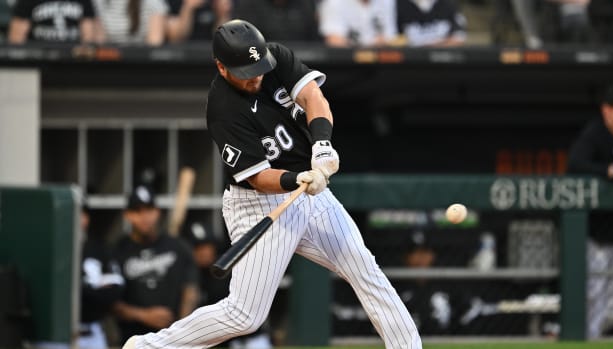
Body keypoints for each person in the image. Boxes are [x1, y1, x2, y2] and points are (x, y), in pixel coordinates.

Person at [121, 19, 422, 349]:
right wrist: (297, 178)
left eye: (259, 67)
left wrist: (322, 144)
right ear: (221, 67)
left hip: (310, 192)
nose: (256, 77)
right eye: (246, 72)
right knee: (245, 315)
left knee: (365, 270)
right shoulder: (222, 108)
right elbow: (258, 178)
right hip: (258, 203)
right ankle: (150, 346)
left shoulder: (275, 57)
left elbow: (313, 96)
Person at [113, 185, 200, 343]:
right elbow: (111, 302)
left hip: (173, 338)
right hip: (133, 339)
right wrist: (143, 315)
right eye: (137, 211)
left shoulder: (178, 247)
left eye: (149, 210)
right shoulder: (117, 251)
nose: (145, 217)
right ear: (127, 215)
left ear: (158, 212)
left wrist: (181, 329)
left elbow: (190, 290)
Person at [567, 80, 613, 339]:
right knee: (594, 292)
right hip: (596, 234)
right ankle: (590, 341)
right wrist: (609, 171)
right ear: (605, 110)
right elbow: (575, 164)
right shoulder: (596, 133)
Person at [181, 222, 273, 349]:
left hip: (252, 338)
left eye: (207, 246)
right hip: (222, 341)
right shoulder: (190, 276)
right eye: (198, 247)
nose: (204, 252)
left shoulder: (230, 267)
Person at [79, 201, 124, 349]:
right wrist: (92, 289)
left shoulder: (97, 249)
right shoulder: (50, 249)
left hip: (90, 333)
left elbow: (114, 292)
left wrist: (80, 290)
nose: (79, 219)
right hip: (54, 338)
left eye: (83, 214)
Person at [8, 0, 95, 44]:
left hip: (72, 58)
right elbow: (16, 39)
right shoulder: (27, 1)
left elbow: (88, 38)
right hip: (37, 57)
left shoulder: (84, 1)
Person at [318, 0, 398, 47]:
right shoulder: (334, 2)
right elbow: (334, 40)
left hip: (381, 65)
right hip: (346, 66)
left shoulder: (387, 2)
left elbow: (390, 38)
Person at [234, 0, 320, 42]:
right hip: (261, 64)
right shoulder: (249, 5)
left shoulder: (306, 4)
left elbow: (314, 40)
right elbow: (245, 40)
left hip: (302, 62)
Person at [92, 0, 168, 45]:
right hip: (108, 63)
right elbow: (99, 43)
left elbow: (154, 45)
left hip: (142, 64)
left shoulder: (152, 2)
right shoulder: (100, 2)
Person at [394, 0, 467, 47]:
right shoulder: (398, 5)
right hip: (410, 63)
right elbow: (392, 39)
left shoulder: (448, 4)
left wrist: (432, 48)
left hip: (443, 63)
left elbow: (459, 37)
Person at [165, 0, 231, 43]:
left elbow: (222, 40)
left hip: (210, 55)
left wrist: (222, 14)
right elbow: (176, 38)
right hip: (182, 54)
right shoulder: (174, 3)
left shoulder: (215, 3)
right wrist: (188, 7)